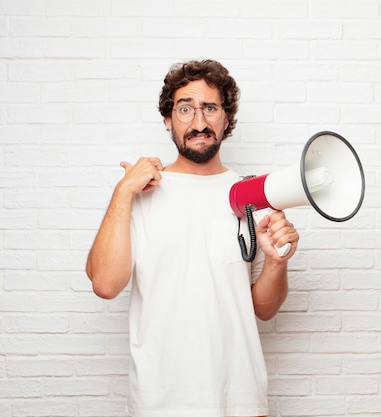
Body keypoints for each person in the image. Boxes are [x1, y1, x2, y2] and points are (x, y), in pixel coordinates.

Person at [85, 59, 299, 417]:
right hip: (159, 400)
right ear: (168, 119)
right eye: (185, 109)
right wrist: (122, 192)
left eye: (210, 108)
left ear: (226, 119)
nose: (199, 122)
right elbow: (106, 284)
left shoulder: (250, 195)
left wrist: (277, 262)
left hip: (240, 399)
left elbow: (264, 310)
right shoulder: (138, 193)